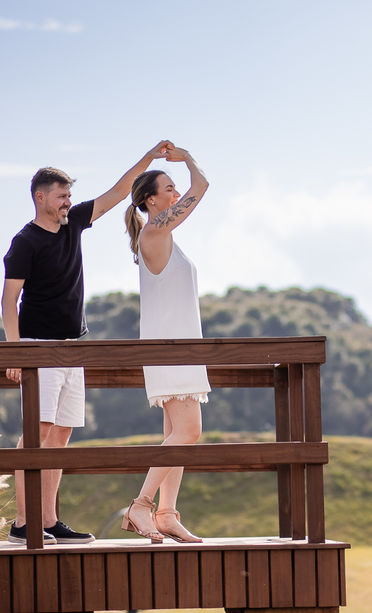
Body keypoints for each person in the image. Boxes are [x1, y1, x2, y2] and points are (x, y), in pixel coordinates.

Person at [1, 141, 174, 545]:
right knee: (36, 433)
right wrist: (13, 350)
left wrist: (148, 159)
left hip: (74, 348)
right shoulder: (24, 241)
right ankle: (23, 524)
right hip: (38, 347)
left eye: (69, 197)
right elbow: (10, 300)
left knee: (61, 435)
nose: (67, 203)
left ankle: (48, 521)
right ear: (40, 197)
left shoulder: (75, 222)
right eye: (61, 196)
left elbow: (117, 192)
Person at [119, 145, 210, 543]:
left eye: (176, 189)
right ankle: (141, 505)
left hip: (180, 348)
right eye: (169, 189)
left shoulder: (157, 235)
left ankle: (167, 514)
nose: (176, 195)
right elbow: (202, 185)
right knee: (188, 432)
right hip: (171, 351)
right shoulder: (155, 232)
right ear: (150, 200)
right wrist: (187, 159)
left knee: (178, 433)